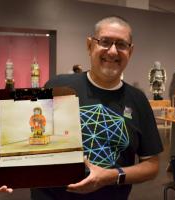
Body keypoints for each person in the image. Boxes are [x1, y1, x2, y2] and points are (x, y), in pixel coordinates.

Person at [31, 16, 163, 200]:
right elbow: (29, 135)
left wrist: (110, 176)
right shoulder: (57, 86)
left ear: (130, 51)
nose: (113, 51)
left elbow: (152, 164)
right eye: (105, 42)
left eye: (121, 45)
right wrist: (3, 173)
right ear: (89, 45)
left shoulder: (138, 100)